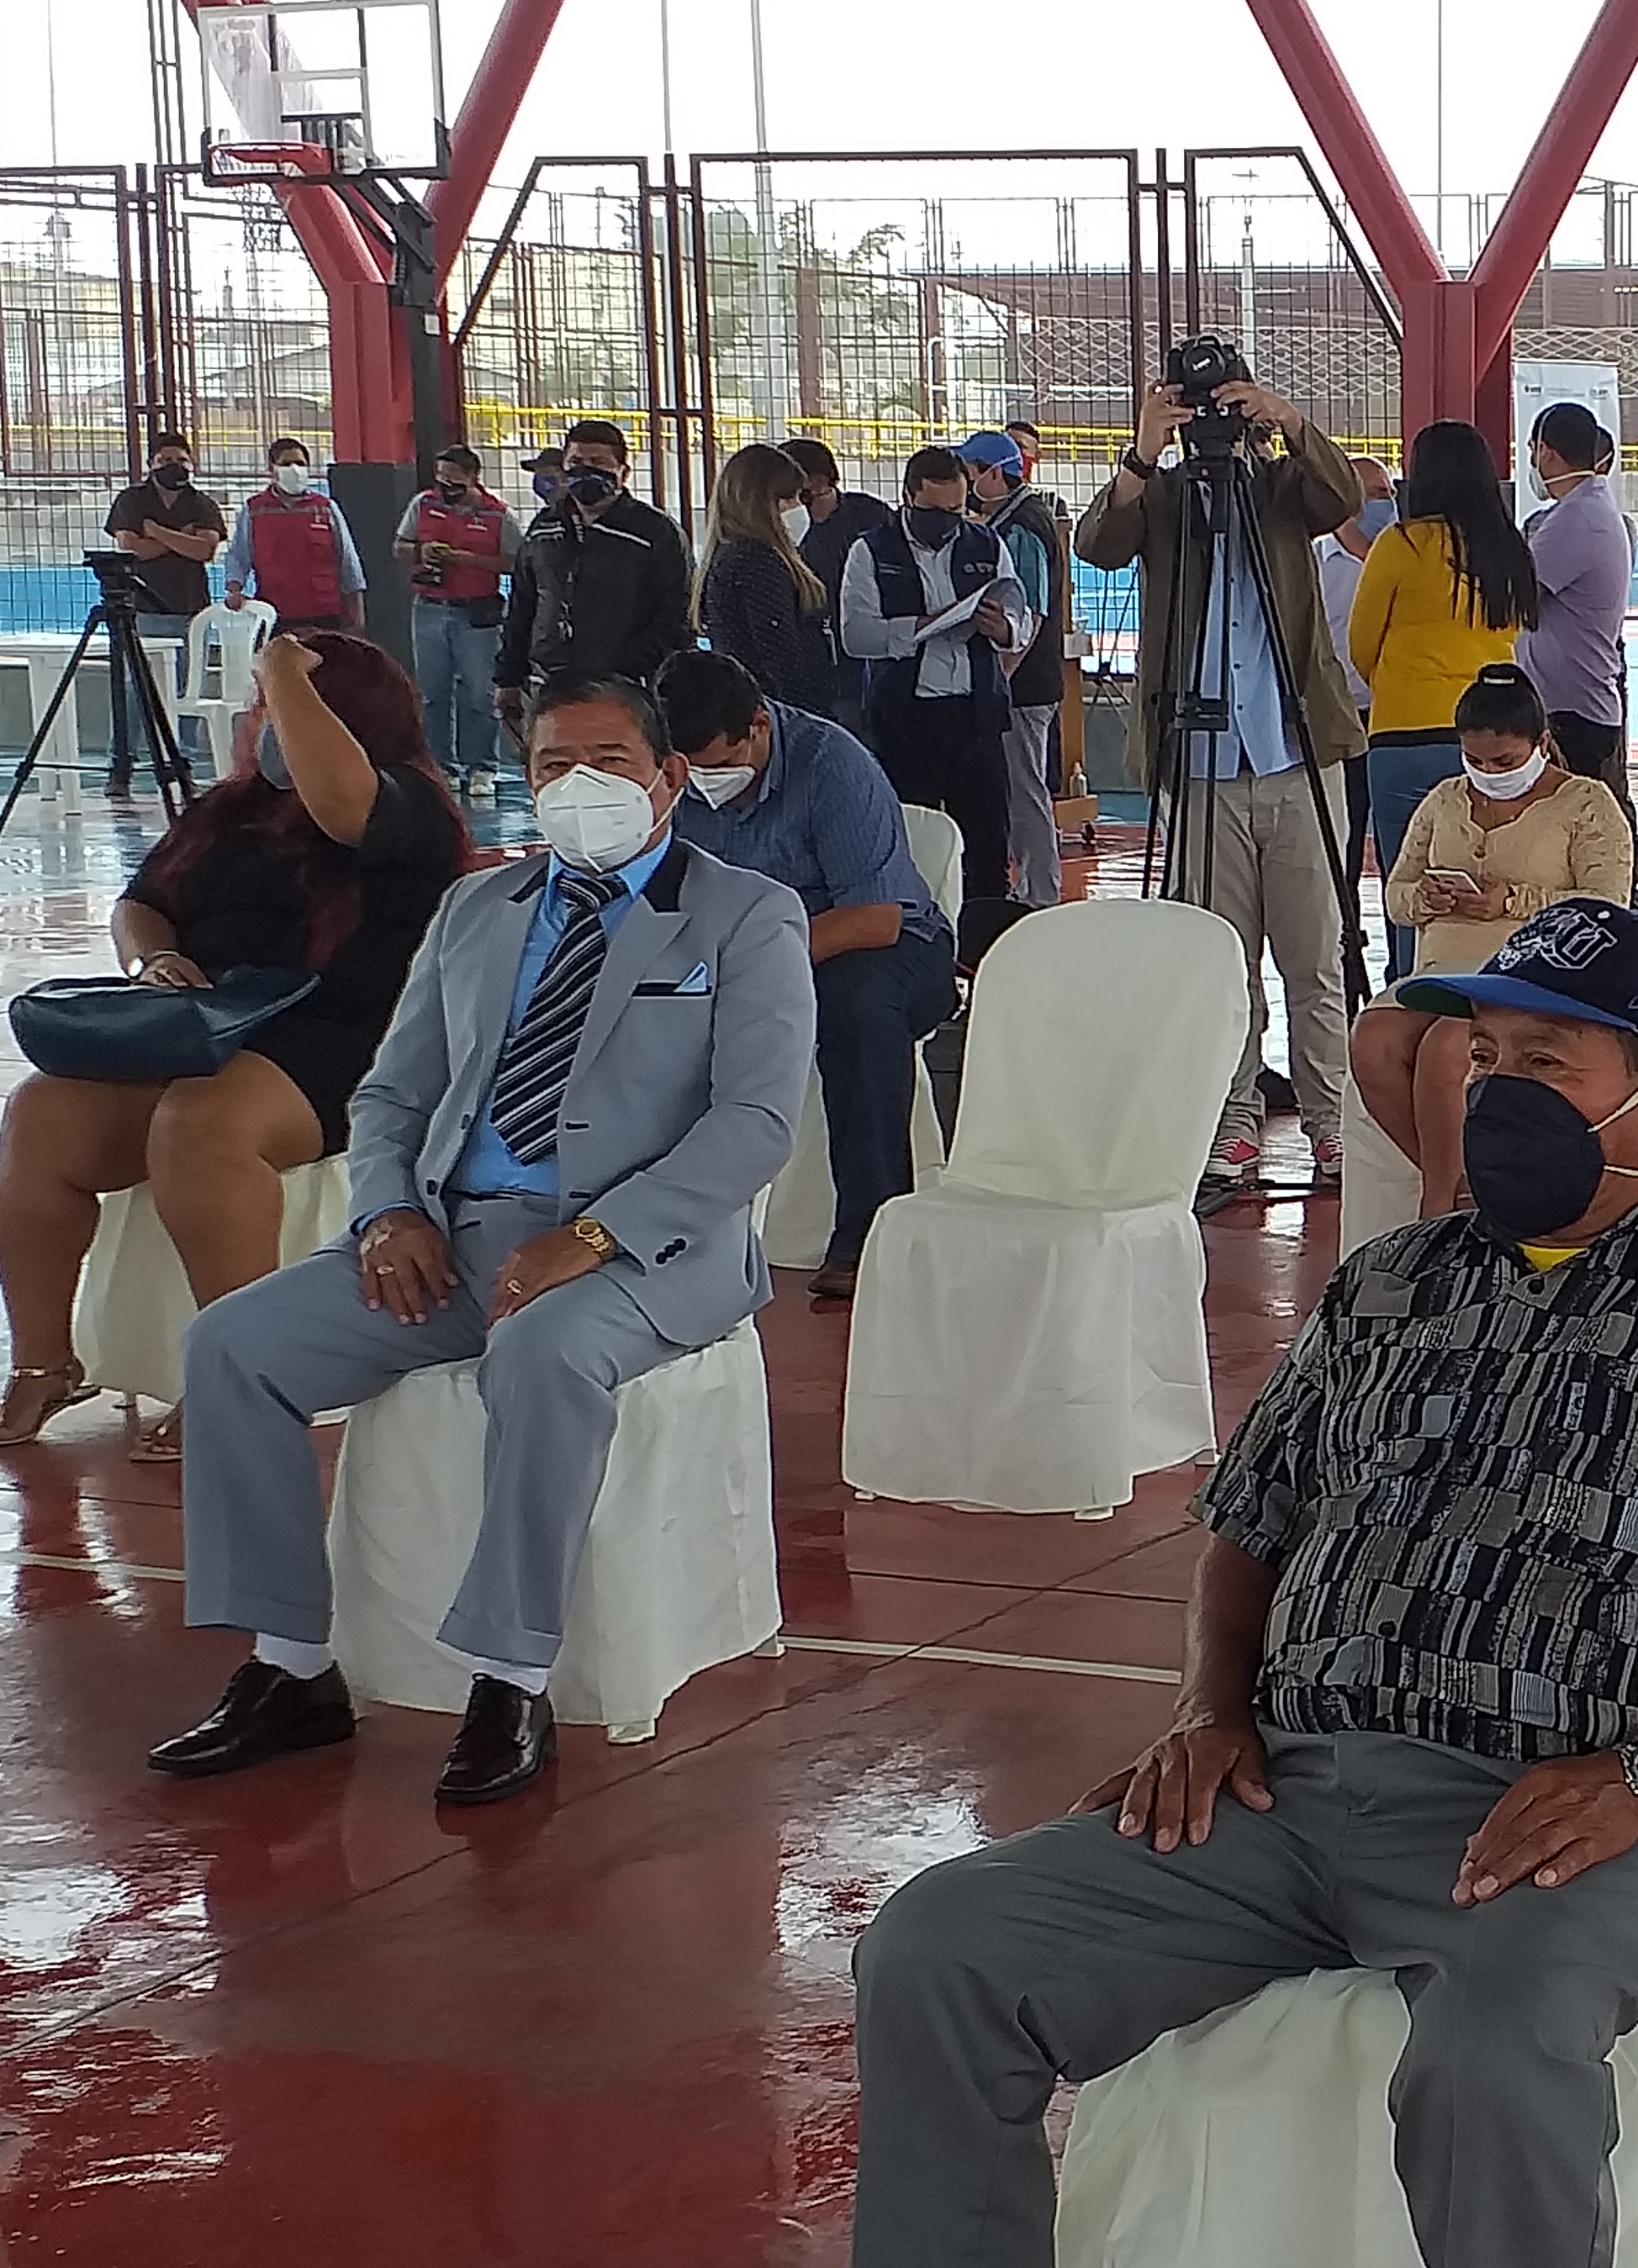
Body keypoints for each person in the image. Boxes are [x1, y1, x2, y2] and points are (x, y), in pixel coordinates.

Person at [838, 898, 1638, 2268]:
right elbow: (1249, 1527)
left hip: (1563, 1822)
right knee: (941, 1948)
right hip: (1290, 1791)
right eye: (1480, 1058)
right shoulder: (1391, 1287)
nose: (1494, 1096)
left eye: (1546, 1064)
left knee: (1496, 2057)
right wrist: (1210, 1708)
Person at [150, 672, 813, 1806]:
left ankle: (511, 1677)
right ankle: (292, 1664)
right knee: (233, 1347)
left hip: (644, 1248)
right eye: (556, 765)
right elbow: (392, 1096)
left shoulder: (745, 915)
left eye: (610, 761)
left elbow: (755, 1122)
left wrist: (595, 1235)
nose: (581, 785)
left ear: (668, 779)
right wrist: (388, 1213)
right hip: (454, 1236)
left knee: (543, 1354)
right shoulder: (478, 909)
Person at [0, 630, 469, 1460]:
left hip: (344, 1038)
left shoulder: (409, 804)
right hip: (205, 1024)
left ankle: (241, 1370)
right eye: (265, 708)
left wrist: (284, 667)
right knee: (41, 1115)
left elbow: (339, 801)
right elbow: (141, 902)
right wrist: (151, 959)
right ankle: (45, 1362)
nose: (268, 723)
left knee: (204, 1123)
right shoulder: (227, 810)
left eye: (288, 709)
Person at [1073, 367, 1366, 1206]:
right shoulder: (1162, 498)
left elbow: (1343, 496)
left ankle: (1331, 1120)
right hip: (1199, 765)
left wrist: (1287, 419)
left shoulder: (1281, 487)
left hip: (1297, 755)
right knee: (1219, 962)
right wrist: (1143, 451)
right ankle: (1232, 1120)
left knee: (1315, 958)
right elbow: (1097, 547)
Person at [659, 649, 956, 1306]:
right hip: (733, 953)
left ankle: (868, 1234)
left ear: (758, 726)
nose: (704, 783)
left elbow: (875, 918)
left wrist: (755, 964)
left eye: (717, 766)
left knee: (859, 1008)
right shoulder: (669, 779)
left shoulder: (832, 765)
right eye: (689, 770)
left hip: (877, 947)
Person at [1352, 662, 1638, 1216]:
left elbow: (1606, 908)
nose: (1488, 772)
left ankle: (1439, 1203)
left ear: (1541, 745)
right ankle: (1462, 1183)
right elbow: (1396, 895)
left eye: (1504, 762)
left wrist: (1511, 901)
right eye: (1475, 760)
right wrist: (1425, 898)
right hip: (1441, 971)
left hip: (1532, 972)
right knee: (1374, 1039)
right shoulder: (1443, 799)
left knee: (1446, 1048)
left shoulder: (1587, 803)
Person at [1352, 420, 1540, 982]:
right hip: (1493, 739)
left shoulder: (1402, 543)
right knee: (1488, 875)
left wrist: (1401, 683)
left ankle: (1412, 991)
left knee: (1411, 884)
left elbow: (1361, 643)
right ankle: (1485, 990)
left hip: (1405, 736)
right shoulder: (1509, 548)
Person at [843, 446, 1033, 919]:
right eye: (934, 510)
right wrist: (922, 626)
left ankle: (986, 939)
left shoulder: (987, 544)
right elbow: (856, 635)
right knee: (911, 842)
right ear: (908, 497)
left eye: (957, 510)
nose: (947, 521)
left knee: (988, 846)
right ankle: (916, 934)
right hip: (904, 719)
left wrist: (1003, 628)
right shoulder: (871, 551)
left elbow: (1021, 617)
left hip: (976, 716)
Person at [496, 419, 695, 730]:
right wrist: (508, 677)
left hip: (627, 689)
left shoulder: (655, 533)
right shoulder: (543, 528)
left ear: (623, 473)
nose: (586, 470)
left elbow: (677, 615)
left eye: (599, 463)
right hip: (548, 686)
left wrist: (630, 666)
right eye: (576, 462)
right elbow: (522, 605)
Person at [960, 429, 1072, 910]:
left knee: (1025, 791)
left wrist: (1001, 677)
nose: (966, 482)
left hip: (1024, 686)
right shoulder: (1011, 519)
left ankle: (1040, 895)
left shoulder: (1023, 527)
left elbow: (1030, 613)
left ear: (993, 473)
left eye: (970, 471)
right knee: (1019, 788)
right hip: (1024, 681)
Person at [1523, 401, 1636, 822]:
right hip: (1574, 703)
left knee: (1572, 834)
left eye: (1533, 450)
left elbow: (1517, 595)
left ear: (1547, 452)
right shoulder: (1585, 510)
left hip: (1572, 712)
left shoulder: (1577, 518)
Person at [99, 429, 225, 800]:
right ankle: (121, 766)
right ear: (151, 464)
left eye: (181, 460)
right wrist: (181, 538)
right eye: (166, 460)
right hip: (142, 612)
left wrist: (156, 532)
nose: (174, 466)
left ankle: (184, 766)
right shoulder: (132, 500)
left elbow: (205, 551)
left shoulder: (202, 504)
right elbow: (132, 549)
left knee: (187, 691)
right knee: (133, 691)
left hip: (191, 611)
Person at [393, 444, 513, 808]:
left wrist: (467, 559)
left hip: (476, 614)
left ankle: (482, 767)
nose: (446, 488)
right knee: (433, 693)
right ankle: (441, 766)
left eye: (455, 482)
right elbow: (399, 546)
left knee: (481, 694)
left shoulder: (498, 515)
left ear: (473, 478)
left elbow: (513, 562)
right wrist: (420, 552)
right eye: (441, 479)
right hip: (429, 609)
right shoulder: (423, 504)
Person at [697, 442, 835, 719]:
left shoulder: (730, 555)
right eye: (788, 499)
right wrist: (808, 718)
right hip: (782, 714)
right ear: (757, 504)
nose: (798, 508)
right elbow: (780, 656)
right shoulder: (757, 562)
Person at [1316, 452, 1403, 878]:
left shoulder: (1403, 558)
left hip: (1391, 717)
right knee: (1340, 835)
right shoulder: (1315, 562)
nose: (1388, 503)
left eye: (1390, 493)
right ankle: (1343, 917)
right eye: (1377, 494)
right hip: (1338, 716)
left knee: (1398, 841)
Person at [782, 435, 894, 739]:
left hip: (867, 664)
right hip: (809, 671)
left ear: (831, 483)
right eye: (792, 499)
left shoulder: (870, 517)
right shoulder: (778, 535)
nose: (802, 508)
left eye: (810, 497)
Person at [224, 437, 364, 631]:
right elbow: (238, 557)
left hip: (325, 615)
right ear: (272, 469)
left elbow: (349, 563)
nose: (294, 469)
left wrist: (357, 617)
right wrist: (234, 590)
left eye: (300, 463)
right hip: (275, 616)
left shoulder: (325, 508)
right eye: (286, 464)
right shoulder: (254, 510)